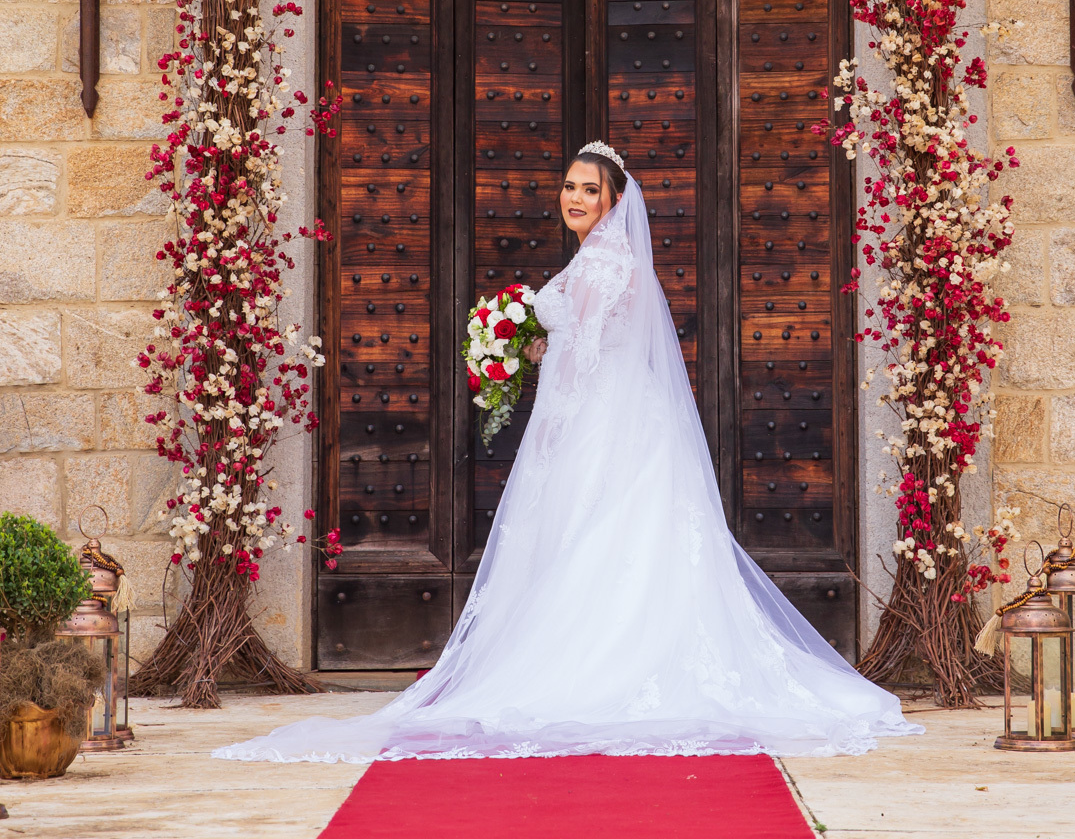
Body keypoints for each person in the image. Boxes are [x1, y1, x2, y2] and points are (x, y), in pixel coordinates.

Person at [215, 144, 918, 763]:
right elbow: (585, 343)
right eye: (570, 186)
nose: (575, 198)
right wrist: (530, 345)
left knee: (596, 537)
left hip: (600, 422)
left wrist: (545, 429)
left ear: (613, 202)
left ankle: (596, 665)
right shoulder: (606, 261)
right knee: (629, 544)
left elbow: (581, 365)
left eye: (590, 189)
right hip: (630, 415)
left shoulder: (601, 266)